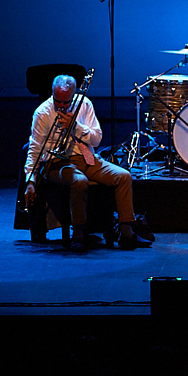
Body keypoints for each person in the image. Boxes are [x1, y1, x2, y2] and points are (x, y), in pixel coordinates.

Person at [23, 75, 152, 251]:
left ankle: (126, 232)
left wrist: (75, 127)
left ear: (73, 95)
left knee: (123, 176)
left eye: (66, 102)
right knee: (79, 180)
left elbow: (97, 139)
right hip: (55, 163)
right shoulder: (43, 113)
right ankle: (78, 234)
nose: (61, 106)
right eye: (57, 101)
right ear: (52, 94)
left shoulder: (84, 104)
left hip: (85, 158)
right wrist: (30, 181)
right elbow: (34, 149)